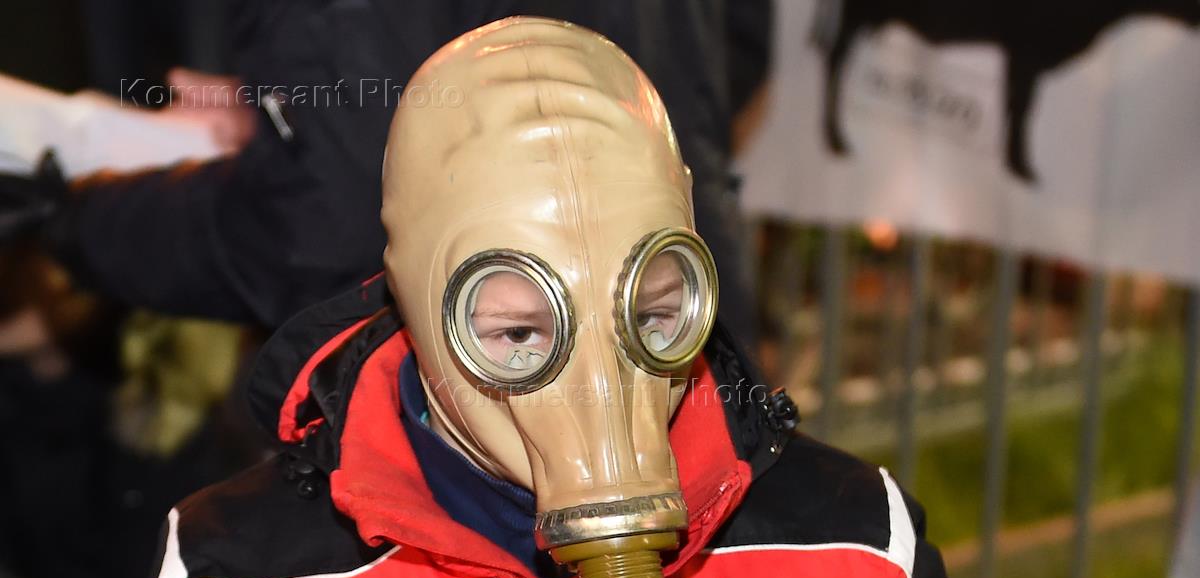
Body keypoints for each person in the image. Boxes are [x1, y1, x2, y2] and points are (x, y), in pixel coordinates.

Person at [76, 19, 1019, 578]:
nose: (598, 386)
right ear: (414, 301)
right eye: (519, 333)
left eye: (651, 314)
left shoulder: (846, 550)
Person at [0, 1, 766, 342]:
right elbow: (735, 51)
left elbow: (325, 234)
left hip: (498, 420)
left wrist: (77, 212)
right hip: (680, 331)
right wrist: (288, 111)